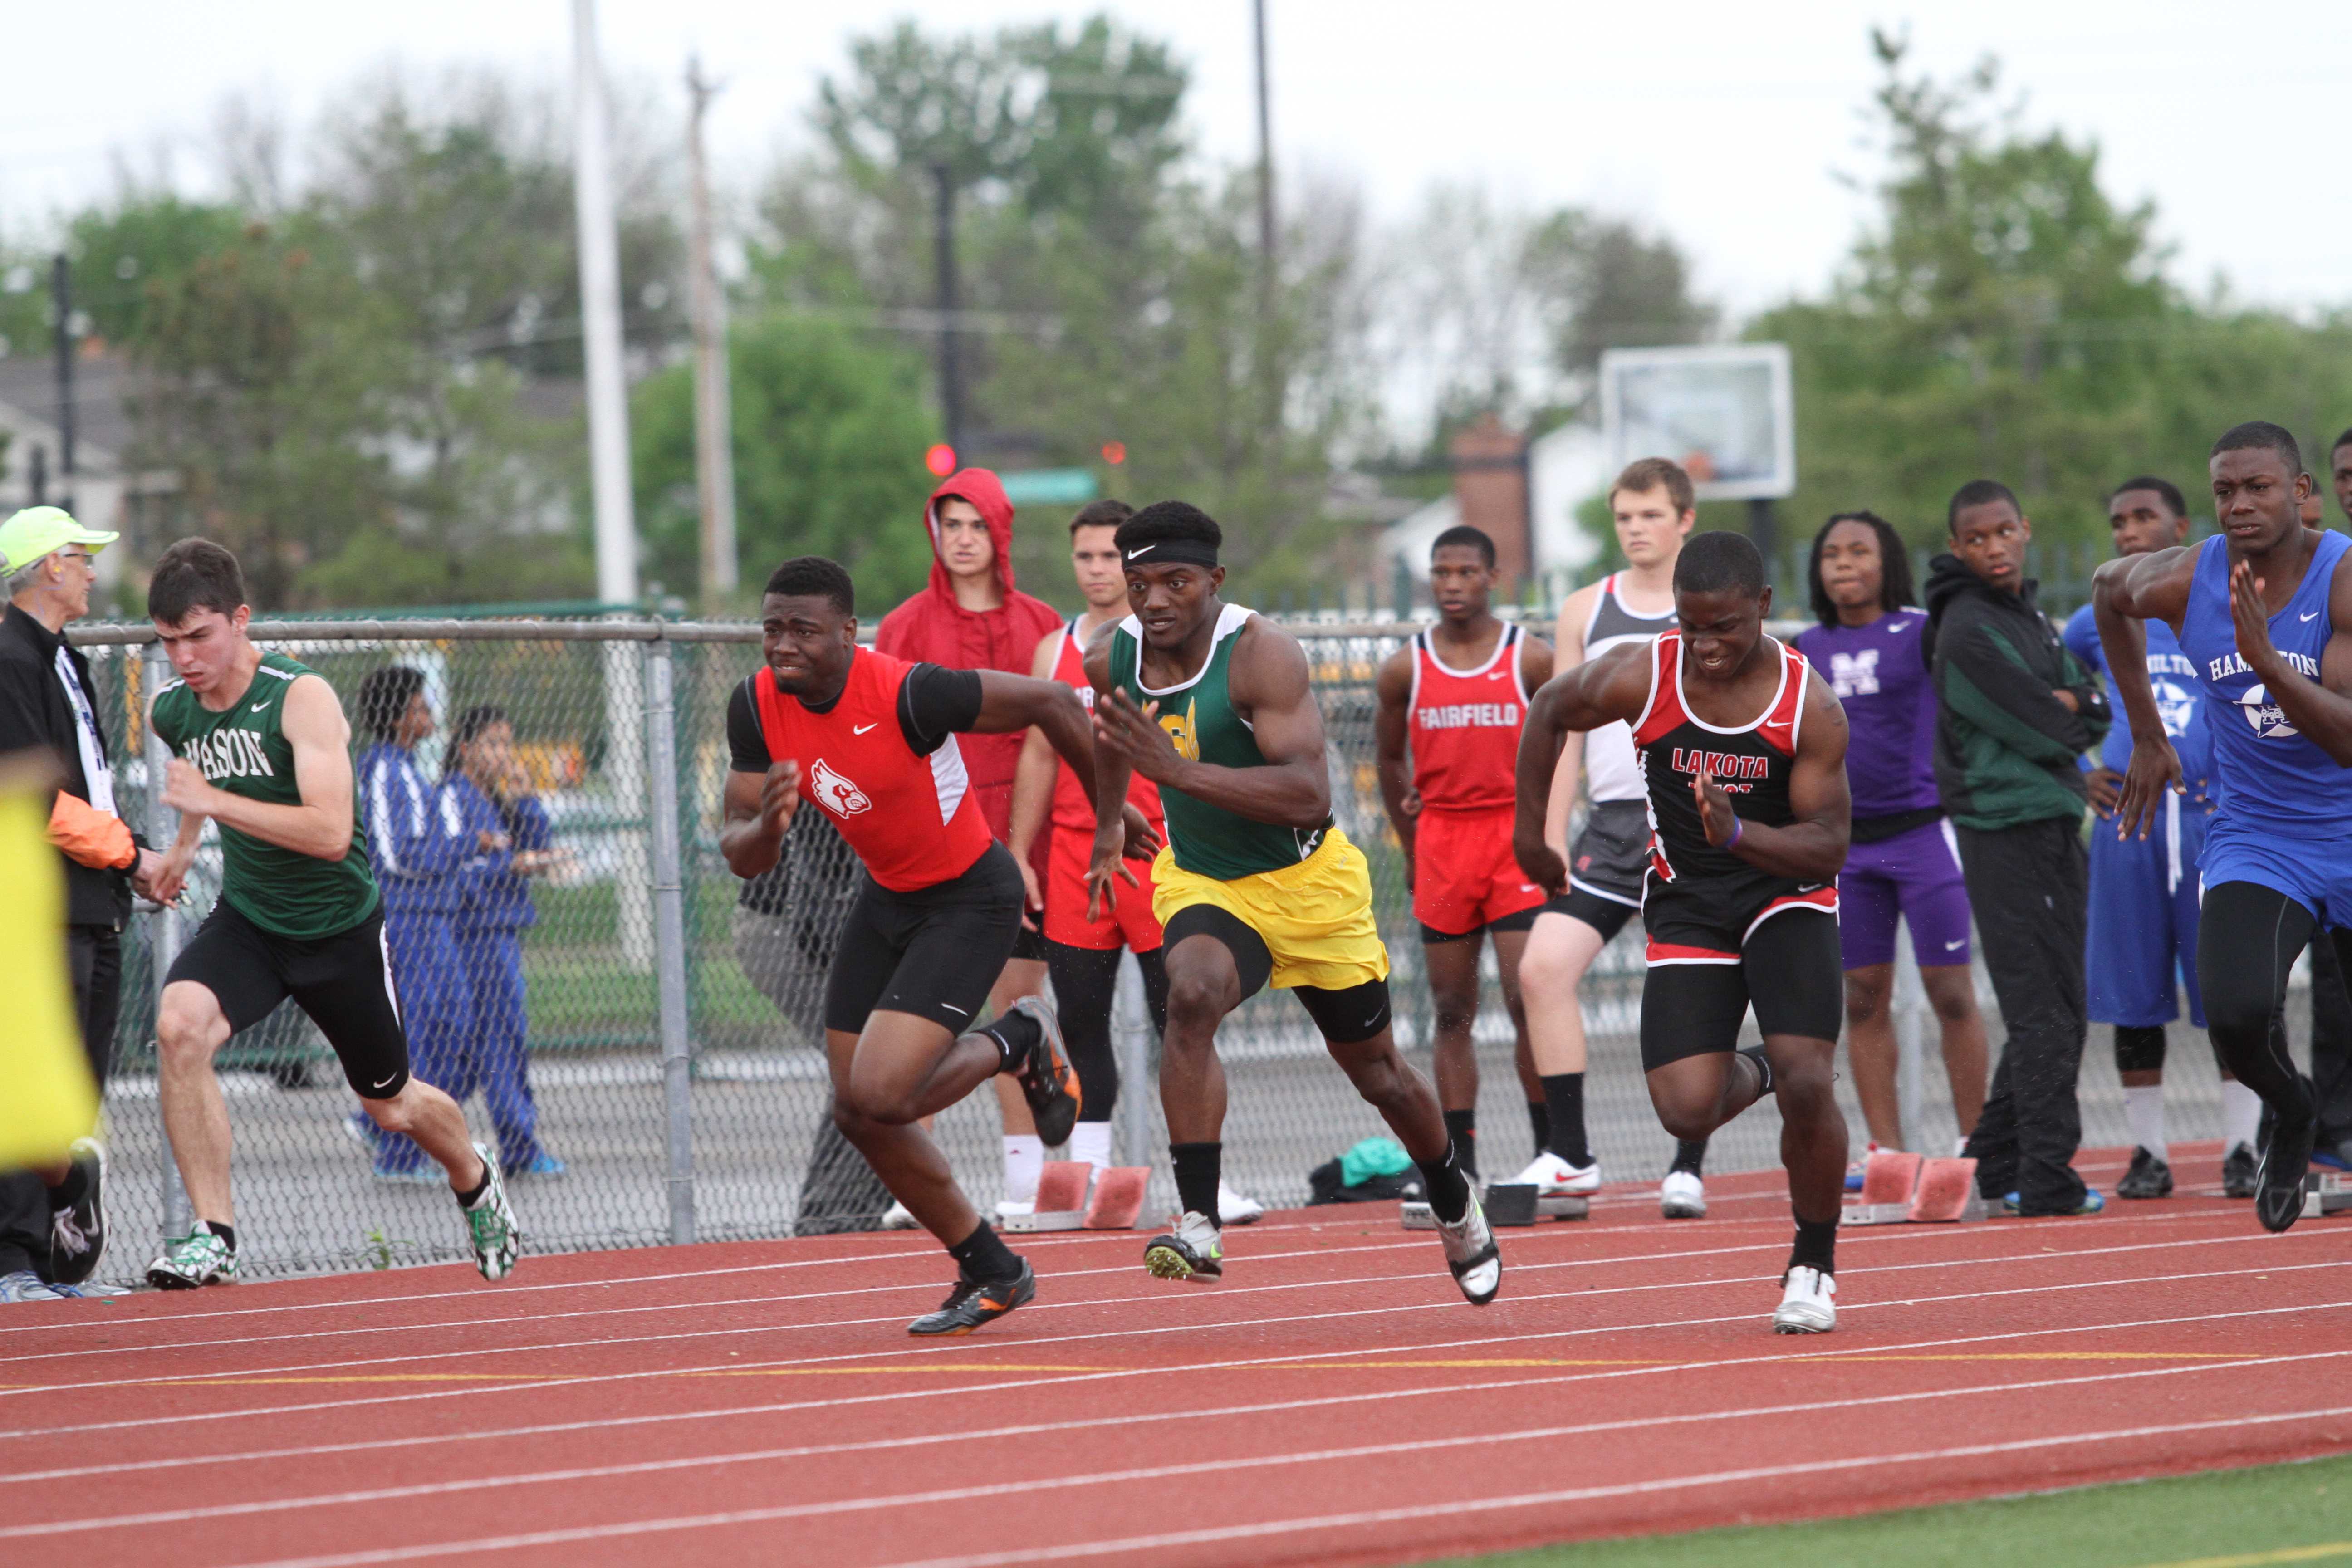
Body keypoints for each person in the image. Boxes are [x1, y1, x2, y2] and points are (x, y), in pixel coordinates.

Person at [1085, 501, 1498, 1305]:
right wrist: (1108, 821)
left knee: (1378, 1074)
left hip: (1311, 890)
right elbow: (1111, 736)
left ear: (1214, 579)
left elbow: (1310, 796)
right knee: (1191, 995)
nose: (1156, 600)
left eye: (1176, 581)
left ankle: (1451, 1196)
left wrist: (1173, 776)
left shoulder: (1261, 654)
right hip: (1205, 880)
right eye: (1139, 584)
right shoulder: (1112, 655)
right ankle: (1199, 1220)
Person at [719, 555, 1145, 1334]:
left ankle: (1022, 1032)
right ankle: (992, 1266)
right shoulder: (754, 703)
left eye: (804, 631)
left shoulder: (911, 692)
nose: (783, 645)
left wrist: (1109, 813)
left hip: (970, 897)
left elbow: (1052, 702)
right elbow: (739, 848)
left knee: (885, 1094)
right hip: (885, 898)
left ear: (848, 633)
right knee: (858, 1112)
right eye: (772, 628)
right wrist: (766, 827)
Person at [141, 539, 519, 1287]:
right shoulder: (172, 711)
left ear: (240, 620)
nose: (183, 656)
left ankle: (475, 1178)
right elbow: (196, 780)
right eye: (168, 641)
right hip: (250, 920)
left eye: (199, 636)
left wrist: (212, 805)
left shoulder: (299, 695)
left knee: (390, 1105)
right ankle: (212, 1233)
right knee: (178, 1026)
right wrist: (184, 848)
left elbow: (329, 832)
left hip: (338, 929)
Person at [1514, 531, 1852, 1333]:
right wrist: (1529, 832)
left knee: (1812, 1085)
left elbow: (1828, 843)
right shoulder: (1645, 670)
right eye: (1689, 626)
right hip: (1689, 902)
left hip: (1786, 894)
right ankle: (1775, 1060)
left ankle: (1812, 1264)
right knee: (1685, 1110)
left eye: (1724, 628)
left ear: (1762, 609)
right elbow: (1549, 708)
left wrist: (1739, 836)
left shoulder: (1808, 704)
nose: (1703, 647)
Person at [2097, 421, 2352, 1234]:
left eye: (2258, 488)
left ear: (2299, 493)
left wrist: (2269, 662)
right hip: (2259, 836)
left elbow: (2345, 739)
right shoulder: (2187, 576)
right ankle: (2289, 1108)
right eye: (2223, 491)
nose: (2238, 505)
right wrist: (2144, 731)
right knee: (2235, 1013)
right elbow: (2107, 591)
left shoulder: (2341, 580)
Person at [1512, 457, 1708, 1217]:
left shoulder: (1708, 604)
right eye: (1624, 515)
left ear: (1683, 519)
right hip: (1615, 825)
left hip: (1694, 825)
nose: (1635, 528)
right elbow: (1558, 728)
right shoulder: (1583, 610)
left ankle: (1687, 1163)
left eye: (1649, 514)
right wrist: (1551, 827)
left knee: (1691, 986)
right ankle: (1569, 1155)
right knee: (1541, 968)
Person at [874, 468, 1067, 1217]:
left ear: (1000, 533)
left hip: (1025, 829)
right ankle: (913, 1179)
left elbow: (1054, 737)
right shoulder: (904, 626)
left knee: (1018, 1002)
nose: (961, 540)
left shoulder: (1041, 623)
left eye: (975, 525)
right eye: (948, 525)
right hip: (936, 831)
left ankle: (1024, 1179)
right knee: (920, 1008)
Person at [1926, 480, 2109, 1217]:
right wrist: (2063, 705)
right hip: (2004, 830)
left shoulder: (2024, 614)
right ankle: (2044, 1176)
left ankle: (1991, 1160)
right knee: (2044, 1009)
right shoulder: (1966, 628)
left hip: (2046, 822)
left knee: (2057, 1002)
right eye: (1976, 539)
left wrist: (2071, 703)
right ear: (1955, 548)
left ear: (2023, 529)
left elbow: (2090, 703)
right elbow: (2052, 725)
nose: (1992, 548)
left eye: (2003, 532)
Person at [2063, 478, 2243, 1200]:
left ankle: (2242, 1144)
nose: (2130, 531)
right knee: (2133, 995)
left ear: (2180, 524)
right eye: (2118, 521)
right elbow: (2060, 698)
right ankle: (2147, 1151)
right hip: (2129, 824)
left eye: (2145, 517)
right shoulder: (2093, 620)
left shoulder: (2221, 605)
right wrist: (2081, 768)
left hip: (2212, 819)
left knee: (2231, 995)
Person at [1792, 513, 1987, 1181]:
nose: (1844, 564)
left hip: (1925, 835)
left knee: (1952, 994)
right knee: (1864, 999)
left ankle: (1976, 1144)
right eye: (1831, 554)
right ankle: (1890, 1152)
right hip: (1847, 851)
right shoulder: (1804, 648)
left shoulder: (1922, 631)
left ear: (1889, 560)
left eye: (1860, 552)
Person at [1007, 500, 1186, 1187]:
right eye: (1086, 556)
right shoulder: (1055, 651)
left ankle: (1202, 1173)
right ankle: (1091, 1171)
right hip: (1077, 861)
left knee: (1182, 1020)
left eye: (1112, 556)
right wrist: (1021, 853)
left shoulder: (1168, 643)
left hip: (1157, 856)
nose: (1098, 569)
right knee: (1081, 1015)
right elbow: (1039, 757)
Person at [0, 506, 152, 1300]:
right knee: (28, 1087)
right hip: (40, 909)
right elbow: (39, 799)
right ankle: (14, 1261)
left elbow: (88, 784)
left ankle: (56, 1259)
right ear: (46, 568)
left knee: (77, 1090)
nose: (93, 568)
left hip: (95, 903)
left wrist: (129, 860)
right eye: (81, 555)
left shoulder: (66, 659)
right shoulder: (9, 657)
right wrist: (131, 850)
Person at [1374, 523, 1553, 1182]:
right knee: (1452, 1010)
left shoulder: (1528, 658)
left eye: (1466, 573)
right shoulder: (1406, 666)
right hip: (1444, 842)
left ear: (1492, 578)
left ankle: (1550, 1152)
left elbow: (1563, 749)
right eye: (1441, 573)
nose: (1452, 585)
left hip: (1512, 841)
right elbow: (1390, 758)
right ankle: (1461, 1164)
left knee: (1525, 995)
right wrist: (1413, 838)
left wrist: (1545, 829)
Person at [353, 666, 474, 1181]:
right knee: (419, 1033)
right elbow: (400, 853)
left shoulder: (408, 768)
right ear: (399, 717)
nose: (428, 716)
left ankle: (380, 1120)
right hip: (407, 919)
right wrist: (465, 846)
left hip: (434, 918)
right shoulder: (383, 770)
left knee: (458, 1028)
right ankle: (398, 1151)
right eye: (420, 707)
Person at [444, 704, 563, 1176]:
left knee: (482, 1047)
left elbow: (539, 842)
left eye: (507, 744)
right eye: (494, 744)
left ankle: (394, 1126)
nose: (504, 755)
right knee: (497, 1041)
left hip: (500, 929)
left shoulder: (495, 799)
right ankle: (520, 1145)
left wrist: (525, 796)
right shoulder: (456, 795)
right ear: (467, 748)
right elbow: (462, 871)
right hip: (475, 934)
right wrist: (509, 866)